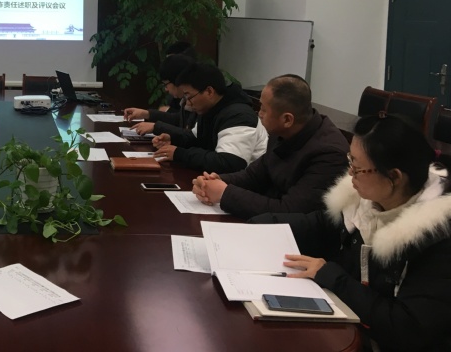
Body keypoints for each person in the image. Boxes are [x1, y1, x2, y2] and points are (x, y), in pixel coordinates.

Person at [252, 114, 451, 351]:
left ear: (394, 176)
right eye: (350, 162)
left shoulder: (437, 238)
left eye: (357, 168)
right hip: (353, 326)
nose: (349, 174)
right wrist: (259, 225)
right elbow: (321, 226)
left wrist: (333, 277)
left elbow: (407, 328)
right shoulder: (366, 200)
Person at [191, 74, 348, 219]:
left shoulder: (329, 154)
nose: (258, 113)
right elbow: (254, 176)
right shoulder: (281, 131)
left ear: (287, 120)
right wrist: (215, 180)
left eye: (264, 109)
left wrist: (224, 193)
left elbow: (290, 211)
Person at [151, 62, 267, 172]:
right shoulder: (210, 108)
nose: (187, 103)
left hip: (245, 183)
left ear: (209, 91)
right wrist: (173, 139)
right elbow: (195, 138)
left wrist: (179, 154)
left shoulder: (239, 116)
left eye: (189, 97)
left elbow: (229, 163)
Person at [123, 53, 196, 136]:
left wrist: (156, 127)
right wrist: (146, 113)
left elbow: (191, 136)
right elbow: (178, 119)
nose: (166, 89)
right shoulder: (185, 100)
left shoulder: (199, 103)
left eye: (166, 84)